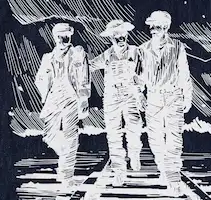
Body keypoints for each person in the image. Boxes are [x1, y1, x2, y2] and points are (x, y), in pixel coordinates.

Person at [138, 10, 193, 194]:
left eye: (158, 26)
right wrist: (139, 95)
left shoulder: (177, 47)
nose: (154, 29)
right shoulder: (143, 49)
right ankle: (163, 168)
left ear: (166, 27)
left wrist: (187, 96)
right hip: (153, 98)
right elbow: (138, 76)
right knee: (155, 139)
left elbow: (184, 72)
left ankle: (173, 178)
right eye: (152, 26)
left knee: (174, 138)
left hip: (173, 96)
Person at [90, 19, 144, 186]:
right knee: (113, 133)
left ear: (126, 35)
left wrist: (140, 93)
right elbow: (90, 65)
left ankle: (134, 153)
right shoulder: (107, 55)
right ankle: (119, 170)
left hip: (131, 93)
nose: (120, 38)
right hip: (112, 96)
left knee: (134, 127)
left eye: (122, 35)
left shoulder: (135, 52)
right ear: (111, 38)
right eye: (116, 36)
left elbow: (142, 73)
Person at [34, 22, 90, 187]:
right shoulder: (48, 57)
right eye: (59, 36)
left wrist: (84, 98)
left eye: (65, 36)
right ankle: (66, 154)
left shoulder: (78, 53)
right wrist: (45, 93)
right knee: (49, 136)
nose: (62, 39)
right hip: (53, 99)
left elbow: (84, 76)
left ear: (70, 36)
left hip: (71, 98)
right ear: (54, 37)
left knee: (70, 135)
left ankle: (66, 175)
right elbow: (39, 78)